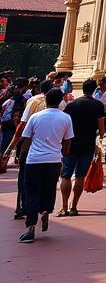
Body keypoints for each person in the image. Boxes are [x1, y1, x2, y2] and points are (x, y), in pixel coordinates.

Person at [18, 88, 74, 243]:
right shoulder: (65, 118)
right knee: (49, 189)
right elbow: (68, 141)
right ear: (60, 101)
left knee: (32, 192)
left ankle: (30, 227)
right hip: (54, 159)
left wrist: (21, 156)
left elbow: (26, 140)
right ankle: (46, 211)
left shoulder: (35, 117)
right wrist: (64, 155)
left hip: (34, 159)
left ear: (46, 100)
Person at [3, 77, 50, 218]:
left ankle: (22, 208)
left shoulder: (34, 102)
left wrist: (10, 148)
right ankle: (44, 208)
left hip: (30, 146)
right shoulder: (61, 105)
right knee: (46, 181)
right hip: (51, 150)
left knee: (25, 178)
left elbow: (22, 128)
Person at [58, 78, 106, 217]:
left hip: (71, 143)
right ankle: (74, 207)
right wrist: (100, 141)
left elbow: (65, 123)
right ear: (94, 89)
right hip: (88, 144)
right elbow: (101, 128)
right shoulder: (98, 105)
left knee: (65, 175)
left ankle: (64, 206)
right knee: (80, 176)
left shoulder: (73, 104)